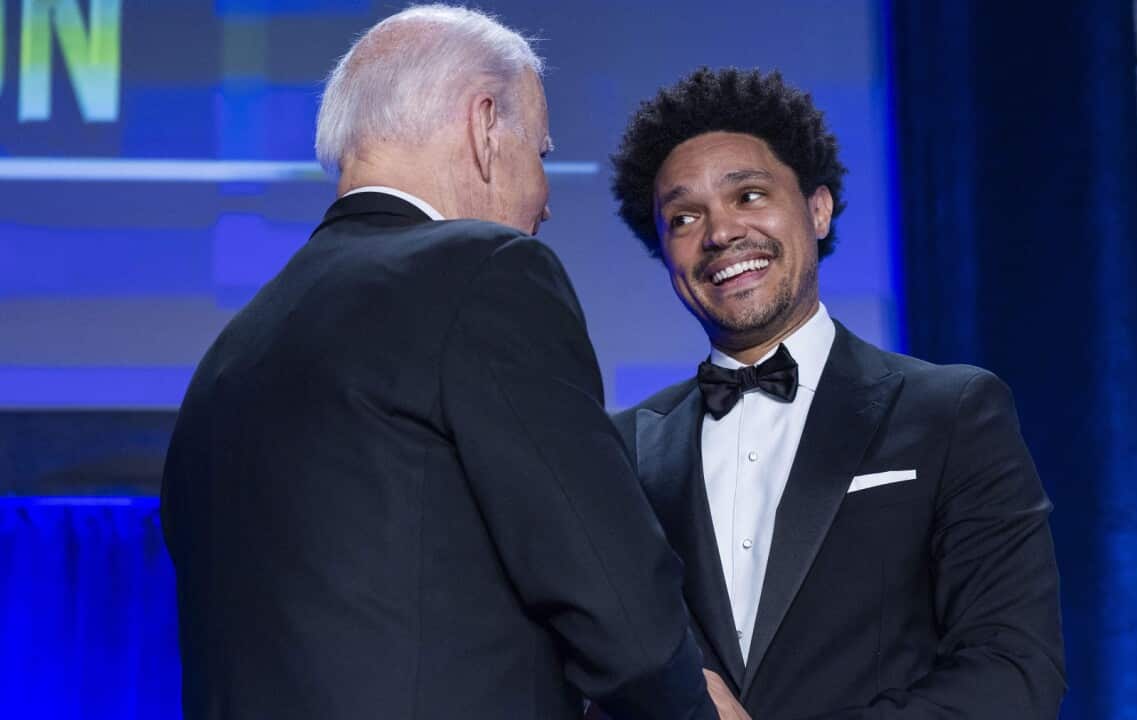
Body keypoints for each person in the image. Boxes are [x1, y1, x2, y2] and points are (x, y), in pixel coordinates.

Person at [160, 7, 717, 719]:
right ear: (486, 128)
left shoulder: (233, 352)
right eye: (540, 154)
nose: (545, 201)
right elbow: (623, 614)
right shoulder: (486, 273)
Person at [608, 67, 1067, 719]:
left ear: (817, 209)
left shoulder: (951, 412)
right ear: (664, 250)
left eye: (749, 195)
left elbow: (1016, 672)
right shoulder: (622, 450)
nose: (719, 233)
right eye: (684, 217)